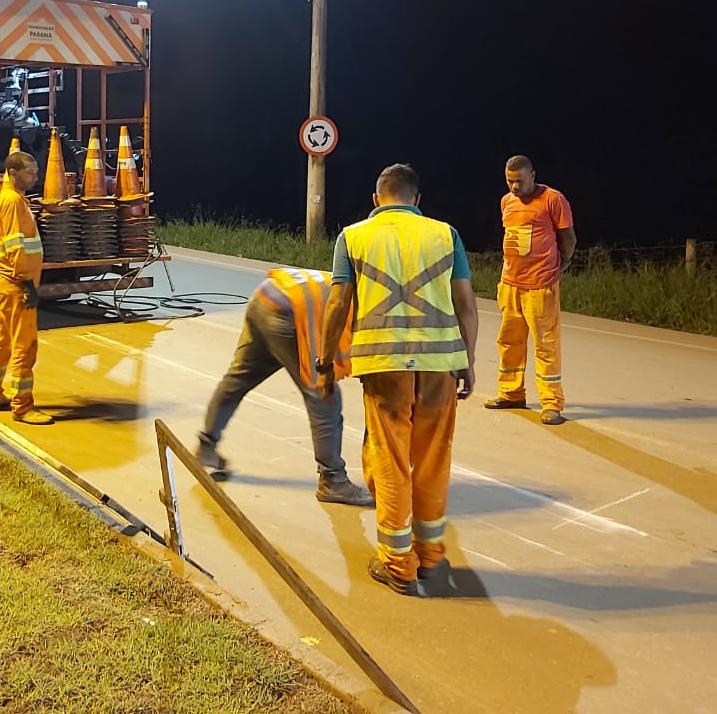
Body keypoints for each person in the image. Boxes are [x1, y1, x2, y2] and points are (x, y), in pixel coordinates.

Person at [319, 163, 479, 596]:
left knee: (389, 459)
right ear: (417, 199)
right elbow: (466, 304)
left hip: (384, 367)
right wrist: (468, 359)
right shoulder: (446, 235)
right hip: (441, 364)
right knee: (431, 460)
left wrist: (324, 359)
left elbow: (337, 304)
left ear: (376, 200)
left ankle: (396, 563)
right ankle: (430, 557)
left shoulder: (353, 237)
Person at [195, 267, 374, 507]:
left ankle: (207, 444)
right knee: (324, 394)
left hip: (266, 297)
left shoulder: (355, 286)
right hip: (289, 313)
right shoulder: (373, 311)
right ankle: (333, 481)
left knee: (239, 377)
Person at [484, 154, 576, 426]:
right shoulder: (506, 201)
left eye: (519, 181)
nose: (514, 187)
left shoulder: (553, 199)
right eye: (510, 181)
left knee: (546, 345)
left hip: (541, 284)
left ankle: (551, 404)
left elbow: (568, 237)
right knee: (509, 341)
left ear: (532, 175)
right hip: (511, 283)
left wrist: (563, 263)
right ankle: (511, 393)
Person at [0, 151, 52, 425]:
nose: (35, 177)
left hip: (6, 282)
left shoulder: (14, 200)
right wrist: (27, 284)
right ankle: (23, 406)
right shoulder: (12, 202)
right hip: (15, 283)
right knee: (25, 344)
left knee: (2, 341)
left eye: (36, 172)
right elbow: (15, 247)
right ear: (13, 173)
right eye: (30, 172)